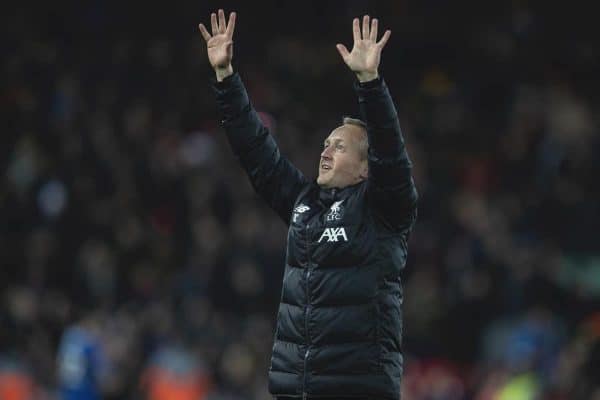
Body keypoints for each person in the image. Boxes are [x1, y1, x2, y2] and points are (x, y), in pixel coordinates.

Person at [198, 9, 418, 400]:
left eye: (340, 146)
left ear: (367, 167)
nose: (326, 151)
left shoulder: (384, 209)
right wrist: (226, 78)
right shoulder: (305, 204)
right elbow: (255, 151)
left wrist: (370, 82)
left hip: (356, 390)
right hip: (296, 389)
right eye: (325, 144)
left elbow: (389, 149)